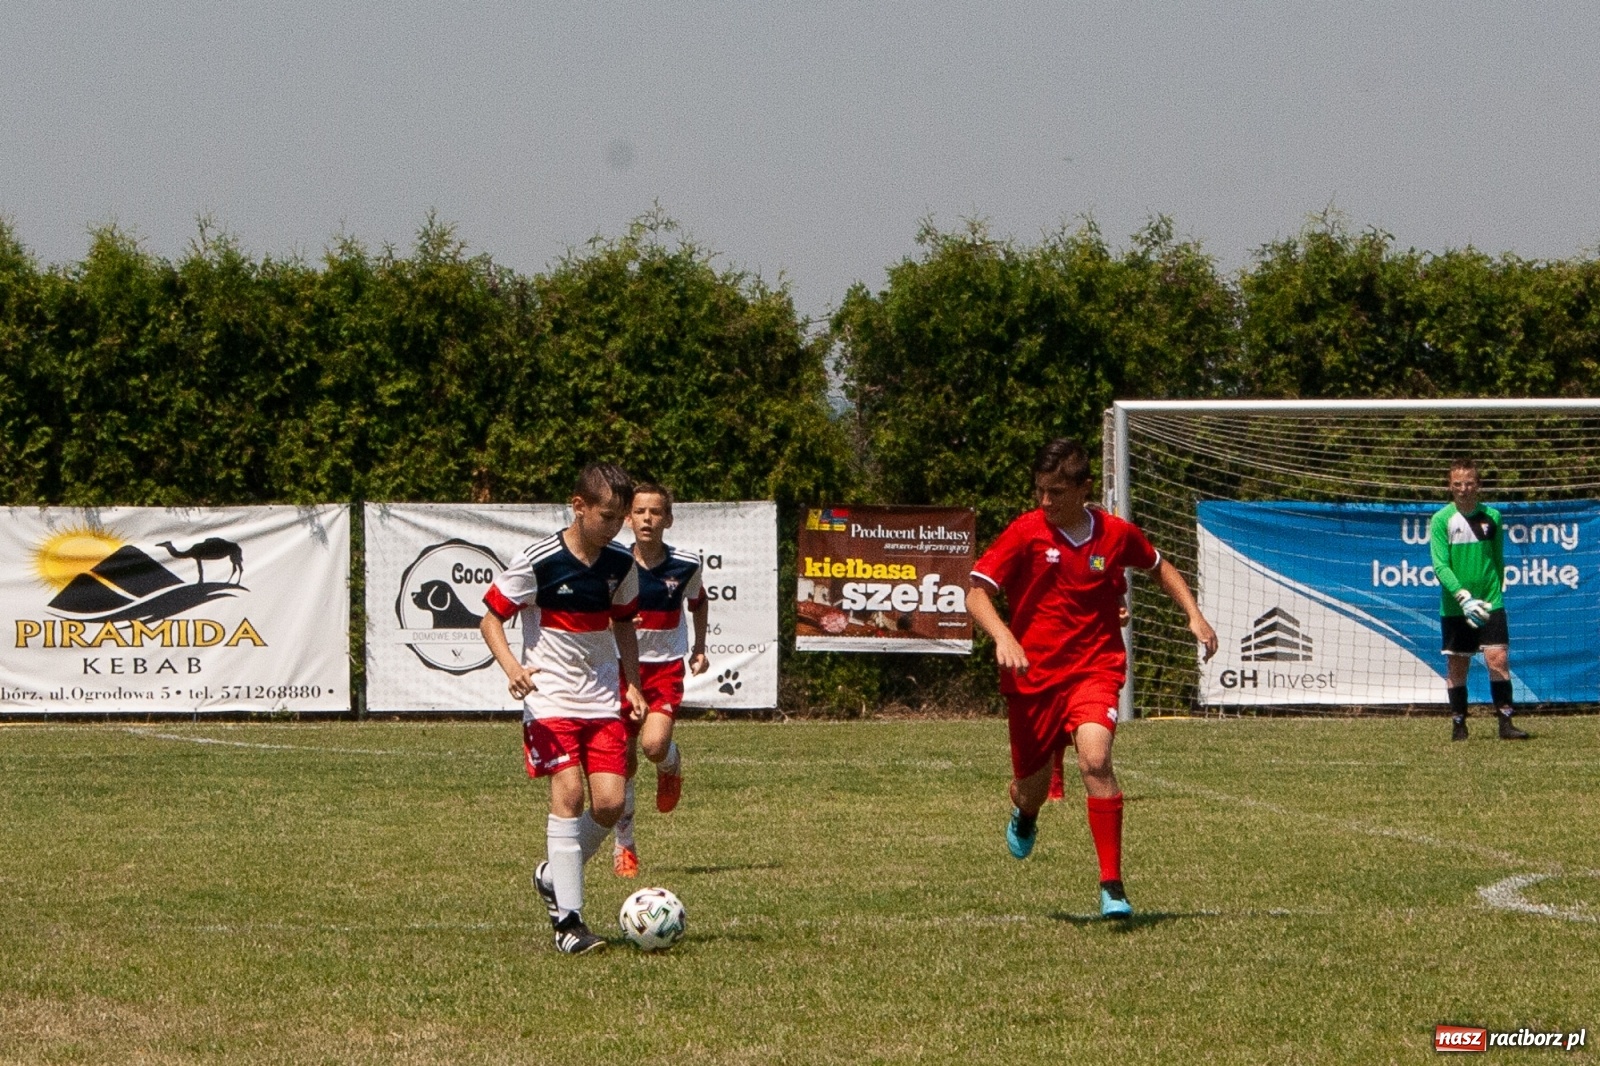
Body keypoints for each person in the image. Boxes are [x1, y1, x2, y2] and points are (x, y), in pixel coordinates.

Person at [967, 438, 1218, 919]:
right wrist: (1004, 636)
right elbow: (977, 593)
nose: (1045, 502)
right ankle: (1025, 812)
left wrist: (1194, 616)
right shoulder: (1025, 532)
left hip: (1093, 669)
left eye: (1057, 492)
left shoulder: (1116, 534)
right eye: (1040, 491)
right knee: (1030, 788)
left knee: (1096, 761)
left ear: (1084, 488)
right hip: (1033, 679)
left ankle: (1112, 886)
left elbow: (1158, 565)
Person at [479, 463, 650, 955]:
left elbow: (623, 626)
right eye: (608, 516)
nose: (616, 526)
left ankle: (555, 874)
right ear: (578, 507)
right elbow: (490, 619)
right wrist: (513, 668)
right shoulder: (539, 561)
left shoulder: (621, 564)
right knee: (569, 792)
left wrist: (633, 684)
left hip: (600, 700)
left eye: (619, 518)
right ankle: (569, 924)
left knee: (612, 803)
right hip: (549, 698)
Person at [611, 483, 710, 877]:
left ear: (667, 519)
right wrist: (613, 620)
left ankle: (670, 764)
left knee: (653, 745)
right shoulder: (614, 561)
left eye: (655, 512)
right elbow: (597, 610)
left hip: (665, 666)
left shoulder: (685, 562)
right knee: (623, 762)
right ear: (627, 518)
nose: (647, 519)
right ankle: (625, 846)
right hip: (619, 667)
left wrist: (699, 647)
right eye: (639, 512)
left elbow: (699, 602)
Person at [1430, 458, 1529, 742]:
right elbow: (1440, 566)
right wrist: (1463, 597)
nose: (1463, 489)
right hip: (1455, 606)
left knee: (1498, 659)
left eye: (1469, 483)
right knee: (1458, 666)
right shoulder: (1441, 520)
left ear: (1478, 485)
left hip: (1490, 602)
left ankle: (1506, 723)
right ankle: (1459, 725)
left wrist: (1494, 593)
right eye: (1458, 484)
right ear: (1450, 486)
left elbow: (1498, 559)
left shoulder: (1493, 517)